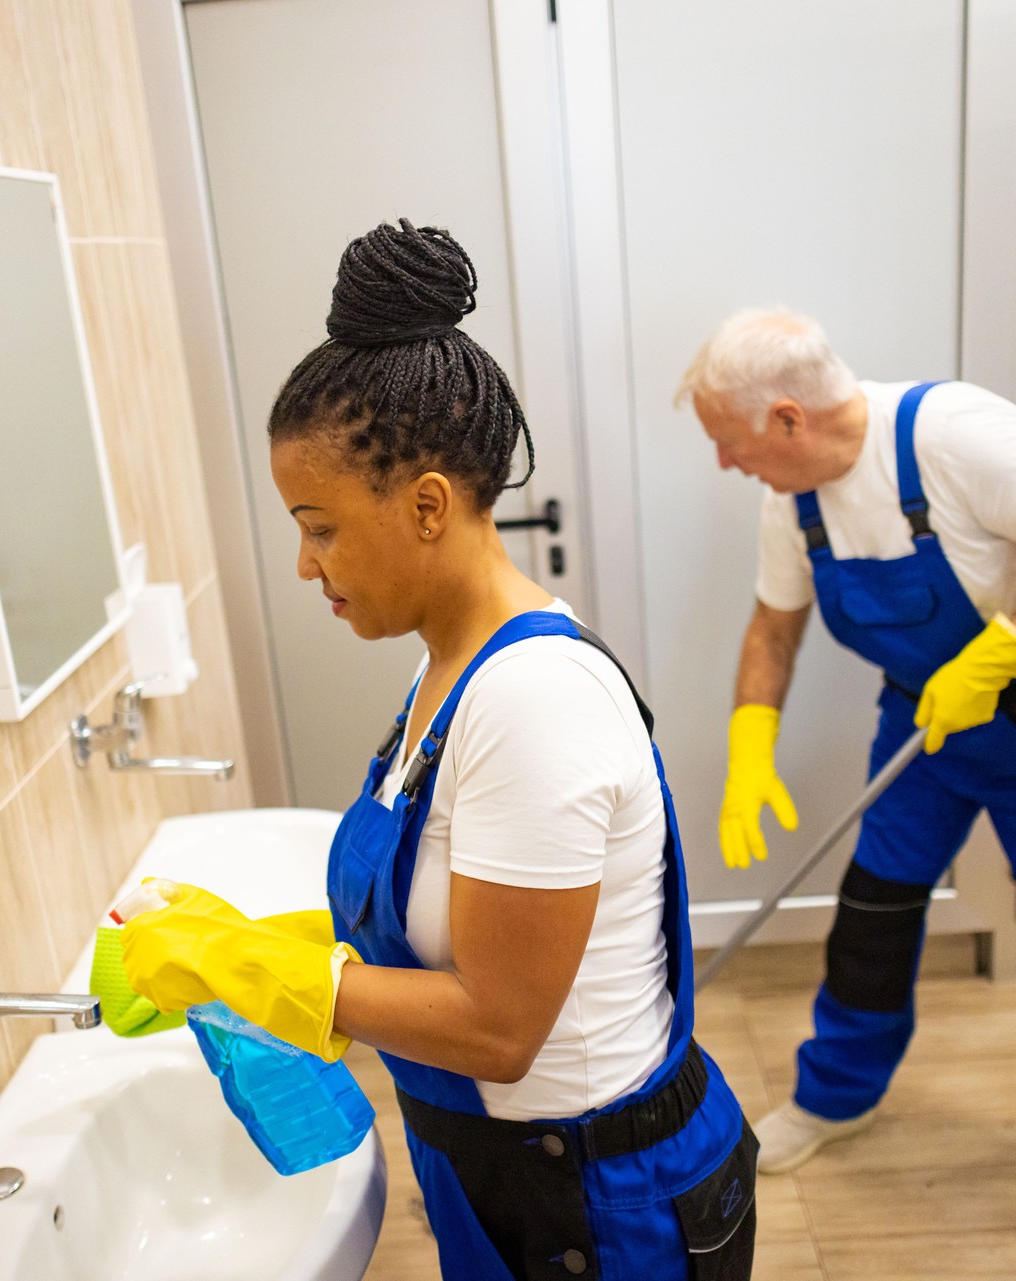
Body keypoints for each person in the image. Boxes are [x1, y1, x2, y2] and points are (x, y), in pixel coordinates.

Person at [123, 221, 757, 1280]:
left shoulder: (532, 702)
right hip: (503, 1173)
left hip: (604, 1209)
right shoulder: (444, 674)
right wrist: (237, 940)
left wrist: (248, 965)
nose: (302, 562)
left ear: (425, 506)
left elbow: (498, 1027)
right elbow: (446, 924)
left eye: (319, 526)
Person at [683, 309, 1016, 1173]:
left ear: (788, 418)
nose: (726, 462)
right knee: (874, 914)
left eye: (730, 440)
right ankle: (836, 1098)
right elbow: (773, 629)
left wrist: (1003, 655)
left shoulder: (959, 437)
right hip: (922, 724)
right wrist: (751, 744)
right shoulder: (792, 500)